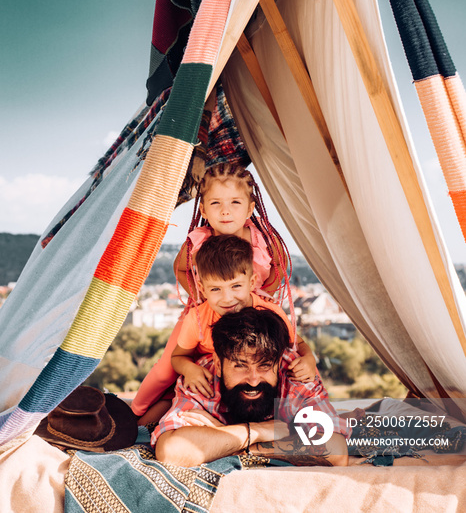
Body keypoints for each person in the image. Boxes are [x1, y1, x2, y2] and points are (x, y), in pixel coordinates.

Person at [131, 163, 311, 422]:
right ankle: (135, 412)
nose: (225, 211)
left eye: (235, 202)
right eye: (216, 203)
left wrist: (260, 294)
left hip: (252, 312)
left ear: (250, 208)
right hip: (206, 312)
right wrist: (201, 296)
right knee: (165, 371)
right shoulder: (197, 240)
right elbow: (180, 268)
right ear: (203, 208)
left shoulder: (263, 239)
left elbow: (280, 267)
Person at [153, 306, 350, 467]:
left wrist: (229, 440)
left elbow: (336, 451)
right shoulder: (201, 378)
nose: (254, 380)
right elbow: (171, 451)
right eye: (240, 366)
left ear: (279, 362)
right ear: (219, 365)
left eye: (264, 366)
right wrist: (259, 431)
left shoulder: (296, 375)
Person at [170, 234, 316, 398]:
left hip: (258, 381)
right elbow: (179, 356)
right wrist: (190, 369)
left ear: (252, 282)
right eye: (215, 289)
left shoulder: (270, 312)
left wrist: (309, 358)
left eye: (236, 286)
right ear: (202, 289)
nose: (227, 298)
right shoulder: (197, 317)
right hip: (213, 379)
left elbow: (297, 344)